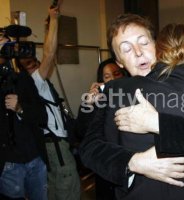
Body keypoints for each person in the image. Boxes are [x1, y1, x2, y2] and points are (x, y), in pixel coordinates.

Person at [79, 13, 184, 199]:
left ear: (157, 45)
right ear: (119, 62)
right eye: (126, 48)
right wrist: (133, 162)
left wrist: (158, 122)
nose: (138, 52)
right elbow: (90, 148)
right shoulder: (114, 94)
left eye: (143, 42)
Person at [17, 4, 81, 200]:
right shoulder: (33, 81)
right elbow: (49, 53)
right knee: (68, 191)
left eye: (34, 62)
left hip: (48, 147)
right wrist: (54, 20)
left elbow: (45, 54)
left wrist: (48, 28)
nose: (35, 66)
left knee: (53, 191)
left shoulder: (28, 83)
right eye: (29, 64)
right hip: (55, 147)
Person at [0, 35, 48, 199]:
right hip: (8, 163)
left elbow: (42, 116)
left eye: (10, 46)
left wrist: (21, 108)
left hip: (35, 158)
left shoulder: (23, 79)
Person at [75, 58, 126, 200]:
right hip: (105, 166)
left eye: (117, 74)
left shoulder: (133, 95)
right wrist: (88, 105)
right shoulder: (98, 101)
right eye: (107, 76)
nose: (113, 79)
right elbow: (81, 131)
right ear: (101, 81)